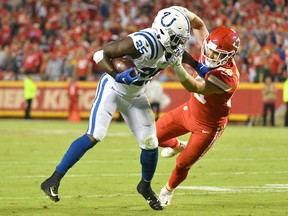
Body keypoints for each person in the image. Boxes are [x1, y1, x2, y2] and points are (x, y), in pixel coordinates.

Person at [40, 6, 209, 211]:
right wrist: (115, 74)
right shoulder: (142, 43)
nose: (180, 42)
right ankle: (53, 180)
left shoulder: (171, 44)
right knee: (96, 134)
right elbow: (99, 55)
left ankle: (145, 186)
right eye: (177, 38)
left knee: (150, 142)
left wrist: (197, 66)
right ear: (165, 33)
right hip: (113, 87)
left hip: (136, 94)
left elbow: (178, 54)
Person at [156, 26, 241, 206]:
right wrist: (183, 13)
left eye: (216, 53)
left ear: (229, 56)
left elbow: (194, 86)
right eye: (209, 49)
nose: (210, 55)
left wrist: (178, 65)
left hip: (208, 127)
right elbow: (198, 24)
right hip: (189, 111)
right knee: (150, 138)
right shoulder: (210, 50)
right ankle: (179, 145)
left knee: (182, 164)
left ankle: (167, 190)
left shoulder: (228, 78)